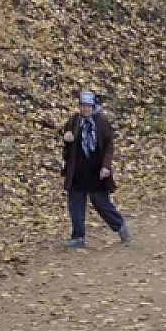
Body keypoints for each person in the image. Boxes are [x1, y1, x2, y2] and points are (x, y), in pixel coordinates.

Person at [61, 91, 130, 248]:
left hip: (96, 171)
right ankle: (78, 236)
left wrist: (106, 166)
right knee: (75, 203)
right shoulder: (74, 120)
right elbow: (67, 139)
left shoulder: (102, 121)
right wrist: (66, 138)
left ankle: (119, 225)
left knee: (101, 202)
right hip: (77, 170)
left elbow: (108, 146)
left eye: (88, 106)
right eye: (83, 106)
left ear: (93, 106)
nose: (85, 109)